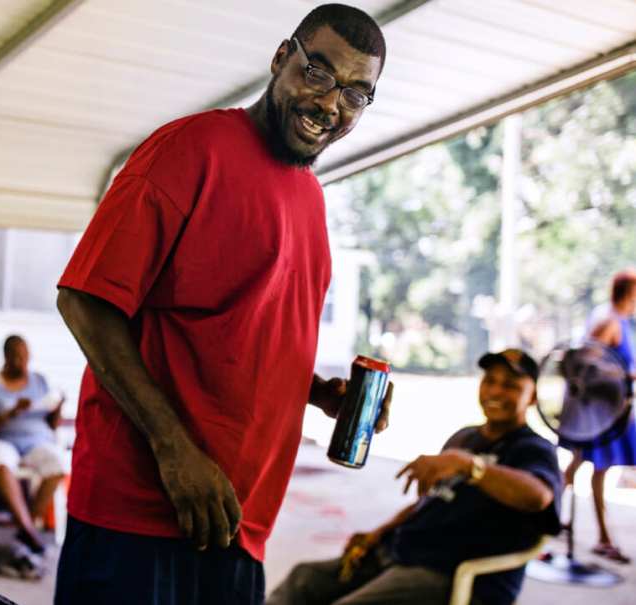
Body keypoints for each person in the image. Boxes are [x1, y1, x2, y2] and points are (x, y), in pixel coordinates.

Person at [53, 5, 390, 604]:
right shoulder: (189, 149)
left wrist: (315, 392)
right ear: (281, 57)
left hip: (239, 520)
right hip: (139, 513)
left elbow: (240, 332)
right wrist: (174, 448)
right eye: (318, 73)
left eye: (356, 94)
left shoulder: (309, 198)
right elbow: (86, 301)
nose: (331, 104)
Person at [269, 349, 562, 605]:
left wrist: (470, 466)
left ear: (532, 395)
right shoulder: (465, 437)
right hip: (402, 552)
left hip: (451, 573)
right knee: (302, 581)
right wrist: (378, 533)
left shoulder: (533, 449)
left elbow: (538, 497)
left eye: (510, 385)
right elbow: (430, 502)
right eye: (490, 381)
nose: (496, 392)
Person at [562, 269, 636, 564]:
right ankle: (603, 538)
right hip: (596, 411)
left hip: (608, 408)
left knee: (582, 468)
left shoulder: (618, 319)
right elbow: (584, 362)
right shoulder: (609, 321)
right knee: (595, 469)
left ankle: (550, 514)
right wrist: (624, 373)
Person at [0, 335, 68, 554]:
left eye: (25, 356)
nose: (22, 362)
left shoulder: (40, 381)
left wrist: (58, 408)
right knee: (2, 464)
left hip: (37, 440)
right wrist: (11, 412)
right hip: (2, 440)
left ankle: (27, 525)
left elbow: (52, 425)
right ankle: (29, 530)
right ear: (6, 357)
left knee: (60, 465)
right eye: (16, 357)